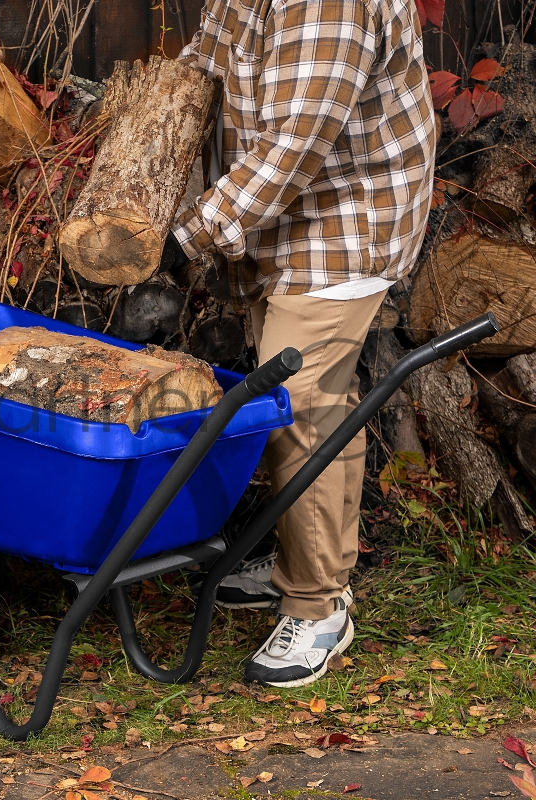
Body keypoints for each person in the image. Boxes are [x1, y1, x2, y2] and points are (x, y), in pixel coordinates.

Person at [160, 0, 435, 687]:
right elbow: (208, 58)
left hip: (342, 223)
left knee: (298, 407)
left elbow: (297, 143)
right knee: (326, 403)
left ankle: (318, 608)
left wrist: (188, 237)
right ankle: (308, 561)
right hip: (297, 220)